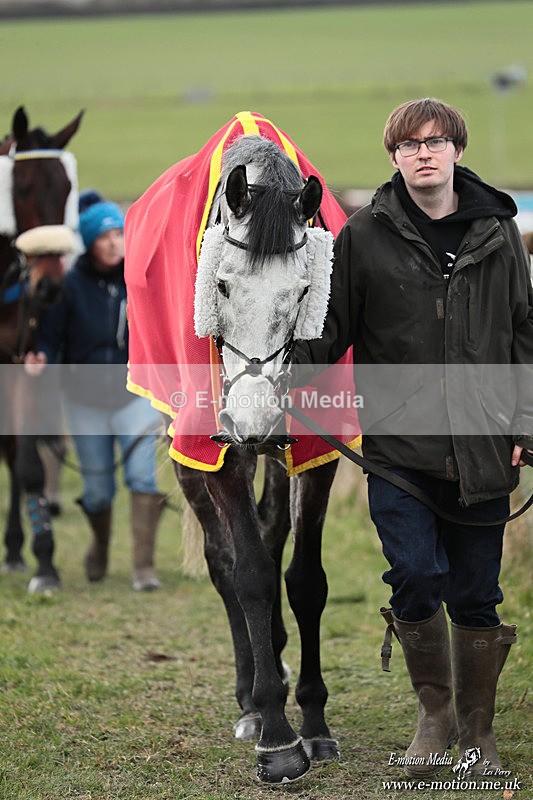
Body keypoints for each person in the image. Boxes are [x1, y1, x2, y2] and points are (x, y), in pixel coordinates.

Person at [294, 98, 533, 777]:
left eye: (436, 141)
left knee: (476, 593)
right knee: (415, 576)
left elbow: (523, 331)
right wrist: (273, 371)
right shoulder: (363, 235)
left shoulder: (497, 233)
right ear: (393, 157)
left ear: (457, 149)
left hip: (484, 447)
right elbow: (330, 330)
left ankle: (477, 740)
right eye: (409, 145)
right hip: (398, 452)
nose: (423, 152)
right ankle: (432, 722)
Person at [25, 191, 165, 591]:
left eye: (118, 235)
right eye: (104, 236)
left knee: (143, 479)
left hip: (135, 395)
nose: (113, 243)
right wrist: (41, 358)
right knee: (99, 493)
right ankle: (100, 545)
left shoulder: (138, 280)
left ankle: (144, 569)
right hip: (85, 402)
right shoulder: (70, 287)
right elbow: (50, 339)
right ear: (89, 242)